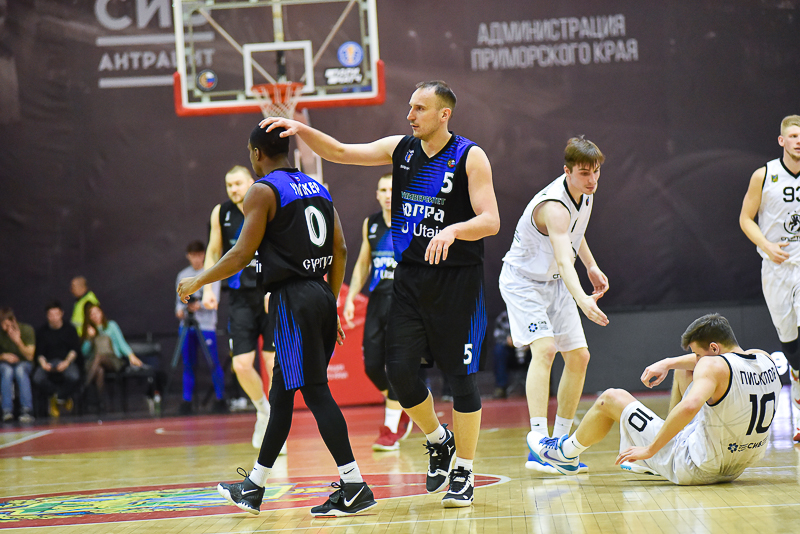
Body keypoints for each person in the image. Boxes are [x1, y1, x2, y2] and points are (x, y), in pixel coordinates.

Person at [262, 79, 501, 508]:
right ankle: (438, 439)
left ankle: (464, 470)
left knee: (461, 379)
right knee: (400, 375)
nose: (410, 115)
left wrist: (453, 230)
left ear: (444, 114)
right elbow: (340, 151)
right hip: (410, 281)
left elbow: (491, 220)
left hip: (458, 283)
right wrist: (301, 129)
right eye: (410, 107)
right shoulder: (401, 149)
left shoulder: (470, 155)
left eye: (419, 108)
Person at [178, 124, 376, 517]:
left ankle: (354, 485)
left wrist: (198, 280)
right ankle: (253, 487)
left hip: (291, 300)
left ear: (256, 153)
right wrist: (331, 302)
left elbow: (240, 254)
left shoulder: (263, 190)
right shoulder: (318, 188)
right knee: (282, 394)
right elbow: (340, 247)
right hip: (319, 294)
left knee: (315, 392)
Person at [528, 314, 782, 485]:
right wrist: (669, 363)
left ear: (715, 348)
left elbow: (690, 406)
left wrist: (650, 449)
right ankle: (661, 453)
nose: (697, 359)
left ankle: (565, 455)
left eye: (698, 353)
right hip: (737, 465)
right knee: (684, 371)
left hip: (698, 467)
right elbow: (711, 363)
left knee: (610, 398)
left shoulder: (713, 366)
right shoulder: (764, 358)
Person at [498, 137, 608, 474]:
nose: (592, 179)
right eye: (584, 173)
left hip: (555, 281)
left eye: (596, 172)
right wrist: (582, 299)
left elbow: (576, 232)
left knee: (579, 356)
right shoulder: (554, 206)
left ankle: (559, 445)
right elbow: (562, 258)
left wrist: (591, 265)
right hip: (523, 282)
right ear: (567, 171)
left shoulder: (584, 194)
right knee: (545, 350)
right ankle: (538, 442)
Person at [203, 165, 276, 448]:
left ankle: (276, 427)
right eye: (229, 185)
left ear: (251, 183)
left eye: (238, 184)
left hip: (270, 293)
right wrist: (208, 288)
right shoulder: (220, 213)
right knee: (241, 365)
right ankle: (263, 411)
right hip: (240, 298)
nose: (233, 189)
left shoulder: (266, 204)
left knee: (272, 363)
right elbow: (213, 251)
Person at [739, 114, 800, 442]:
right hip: (776, 268)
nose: (798, 141)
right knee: (791, 346)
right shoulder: (764, 175)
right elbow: (746, 218)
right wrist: (765, 244)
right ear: (782, 140)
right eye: (793, 136)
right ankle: (795, 371)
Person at [342, 173, 412, 451]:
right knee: (372, 365)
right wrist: (350, 299)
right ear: (377, 194)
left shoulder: (412, 222)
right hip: (376, 302)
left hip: (403, 303)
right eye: (383, 190)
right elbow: (363, 263)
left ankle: (390, 430)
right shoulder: (370, 224)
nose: (387, 195)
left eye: (392, 189)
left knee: (396, 366)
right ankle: (402, 404)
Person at [175, 240, 226, 414]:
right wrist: (182, 309)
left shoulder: (211, 273)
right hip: (187, 325)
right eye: (193, 255)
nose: (196, 259)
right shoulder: (183, 275)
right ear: (188, 256)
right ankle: (186, 400)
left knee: (213, 362)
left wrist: (200, 305)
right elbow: (178, 303)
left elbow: (213, 300)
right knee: (187, 363)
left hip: (206, 326)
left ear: (204, 255)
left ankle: (220, 399)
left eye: (199, 255)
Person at [81, 303, 142, 407]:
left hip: (113, 360)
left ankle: (84, 387)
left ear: (101, 312)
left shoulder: (111, 326)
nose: (95, 316)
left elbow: (121, 343)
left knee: (100, 357)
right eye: (92, 314)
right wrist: (89, 338)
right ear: (89, 317)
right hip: (96, 363)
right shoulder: (89, 330)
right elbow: (84, 352)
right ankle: (101, 404)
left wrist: (131, 355)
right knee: (99, 370)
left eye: (97, 312)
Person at [33, 301, 81, 418]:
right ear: (47, 316)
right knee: (37, 378)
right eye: (51, 315)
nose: (54, 318)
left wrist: (66, 362)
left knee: (74, 376)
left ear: (61, 314)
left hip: (65, 361)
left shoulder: (70, 329)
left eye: (56, 314)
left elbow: (74, 350)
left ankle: (61, 397)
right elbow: (39, 353)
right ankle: (56, 396)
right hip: (48, 362)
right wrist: (43, 364)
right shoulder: (42, 331)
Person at [0, 307, 35, 422]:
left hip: (24, 363)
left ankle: (26, 410)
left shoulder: (26, 330)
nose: (5, 328)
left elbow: (30, 356)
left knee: (20, 370)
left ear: (14, 320)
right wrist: (3, 356)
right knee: (7, 371)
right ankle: (7, 410)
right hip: (4, 364)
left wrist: (18, 341)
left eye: (8, 324)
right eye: (3, 325)